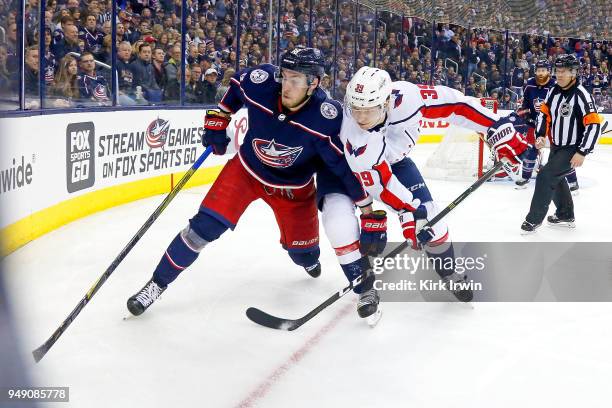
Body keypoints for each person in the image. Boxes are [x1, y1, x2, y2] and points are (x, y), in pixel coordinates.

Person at [126, 47, 377, 321]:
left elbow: (341, 167)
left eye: (296, 80)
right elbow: (234, 90)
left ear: (313, 83)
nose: (286, 86)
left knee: (302, 255)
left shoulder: (325, 117)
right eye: (285, 76)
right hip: (245, 172)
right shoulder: (262, 82)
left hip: (294, 191)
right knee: (201, 229)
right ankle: (156, 284)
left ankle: (320, 265)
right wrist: (218, 120)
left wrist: (365, 208)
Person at [337, 66, 527, 304]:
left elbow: (456, 105)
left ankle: (449, 272)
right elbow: (382, 185)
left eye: (369, 109)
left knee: (433, 220)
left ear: (386, 102)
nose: (361, 117)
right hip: (354, 171)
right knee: (345, 227)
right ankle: (362, 284)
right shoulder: (355, 137)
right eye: (355, 109)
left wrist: (495, 126)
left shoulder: (407, 97)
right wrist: (412, 213)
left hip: (397, 163)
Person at [519, 55, 602, 234]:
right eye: (557, 71)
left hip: (573, 148)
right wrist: (541, 135)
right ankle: (565, 214)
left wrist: (582, 151)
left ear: (573, 73)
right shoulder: (554, 91)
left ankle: (533, 220)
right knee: (554, 177)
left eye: (564, 72)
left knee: (545, 176)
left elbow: (594, 125)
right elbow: (544, 114)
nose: (559, 75)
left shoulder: (582, 95)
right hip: (556, 145)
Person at [515, 59, 579, 191]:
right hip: (534, 123)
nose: (540, 73)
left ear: (549, 71)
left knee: (560, 154)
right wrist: (525, 112)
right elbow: (525, 103)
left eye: (543, 70)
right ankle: (525, 177)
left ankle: (573, 182)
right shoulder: (530, 84)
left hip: (552, 124)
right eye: (538, 70)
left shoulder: (555, 85)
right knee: (531, 150)